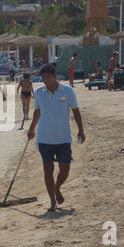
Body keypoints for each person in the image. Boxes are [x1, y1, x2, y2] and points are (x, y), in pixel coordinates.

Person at [27, 64, 85, 212]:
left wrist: (81, 130)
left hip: (63, 138)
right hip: (44, 137)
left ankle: (57, 188)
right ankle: (52, 201)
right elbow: (37, 111)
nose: (45, 80)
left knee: (65, 169)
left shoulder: (67, 91)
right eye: (43, 78)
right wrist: (32, 128)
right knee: (48, 170)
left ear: (55, 76)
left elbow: (76, 111)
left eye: (48, 77)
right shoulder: (39, 92)